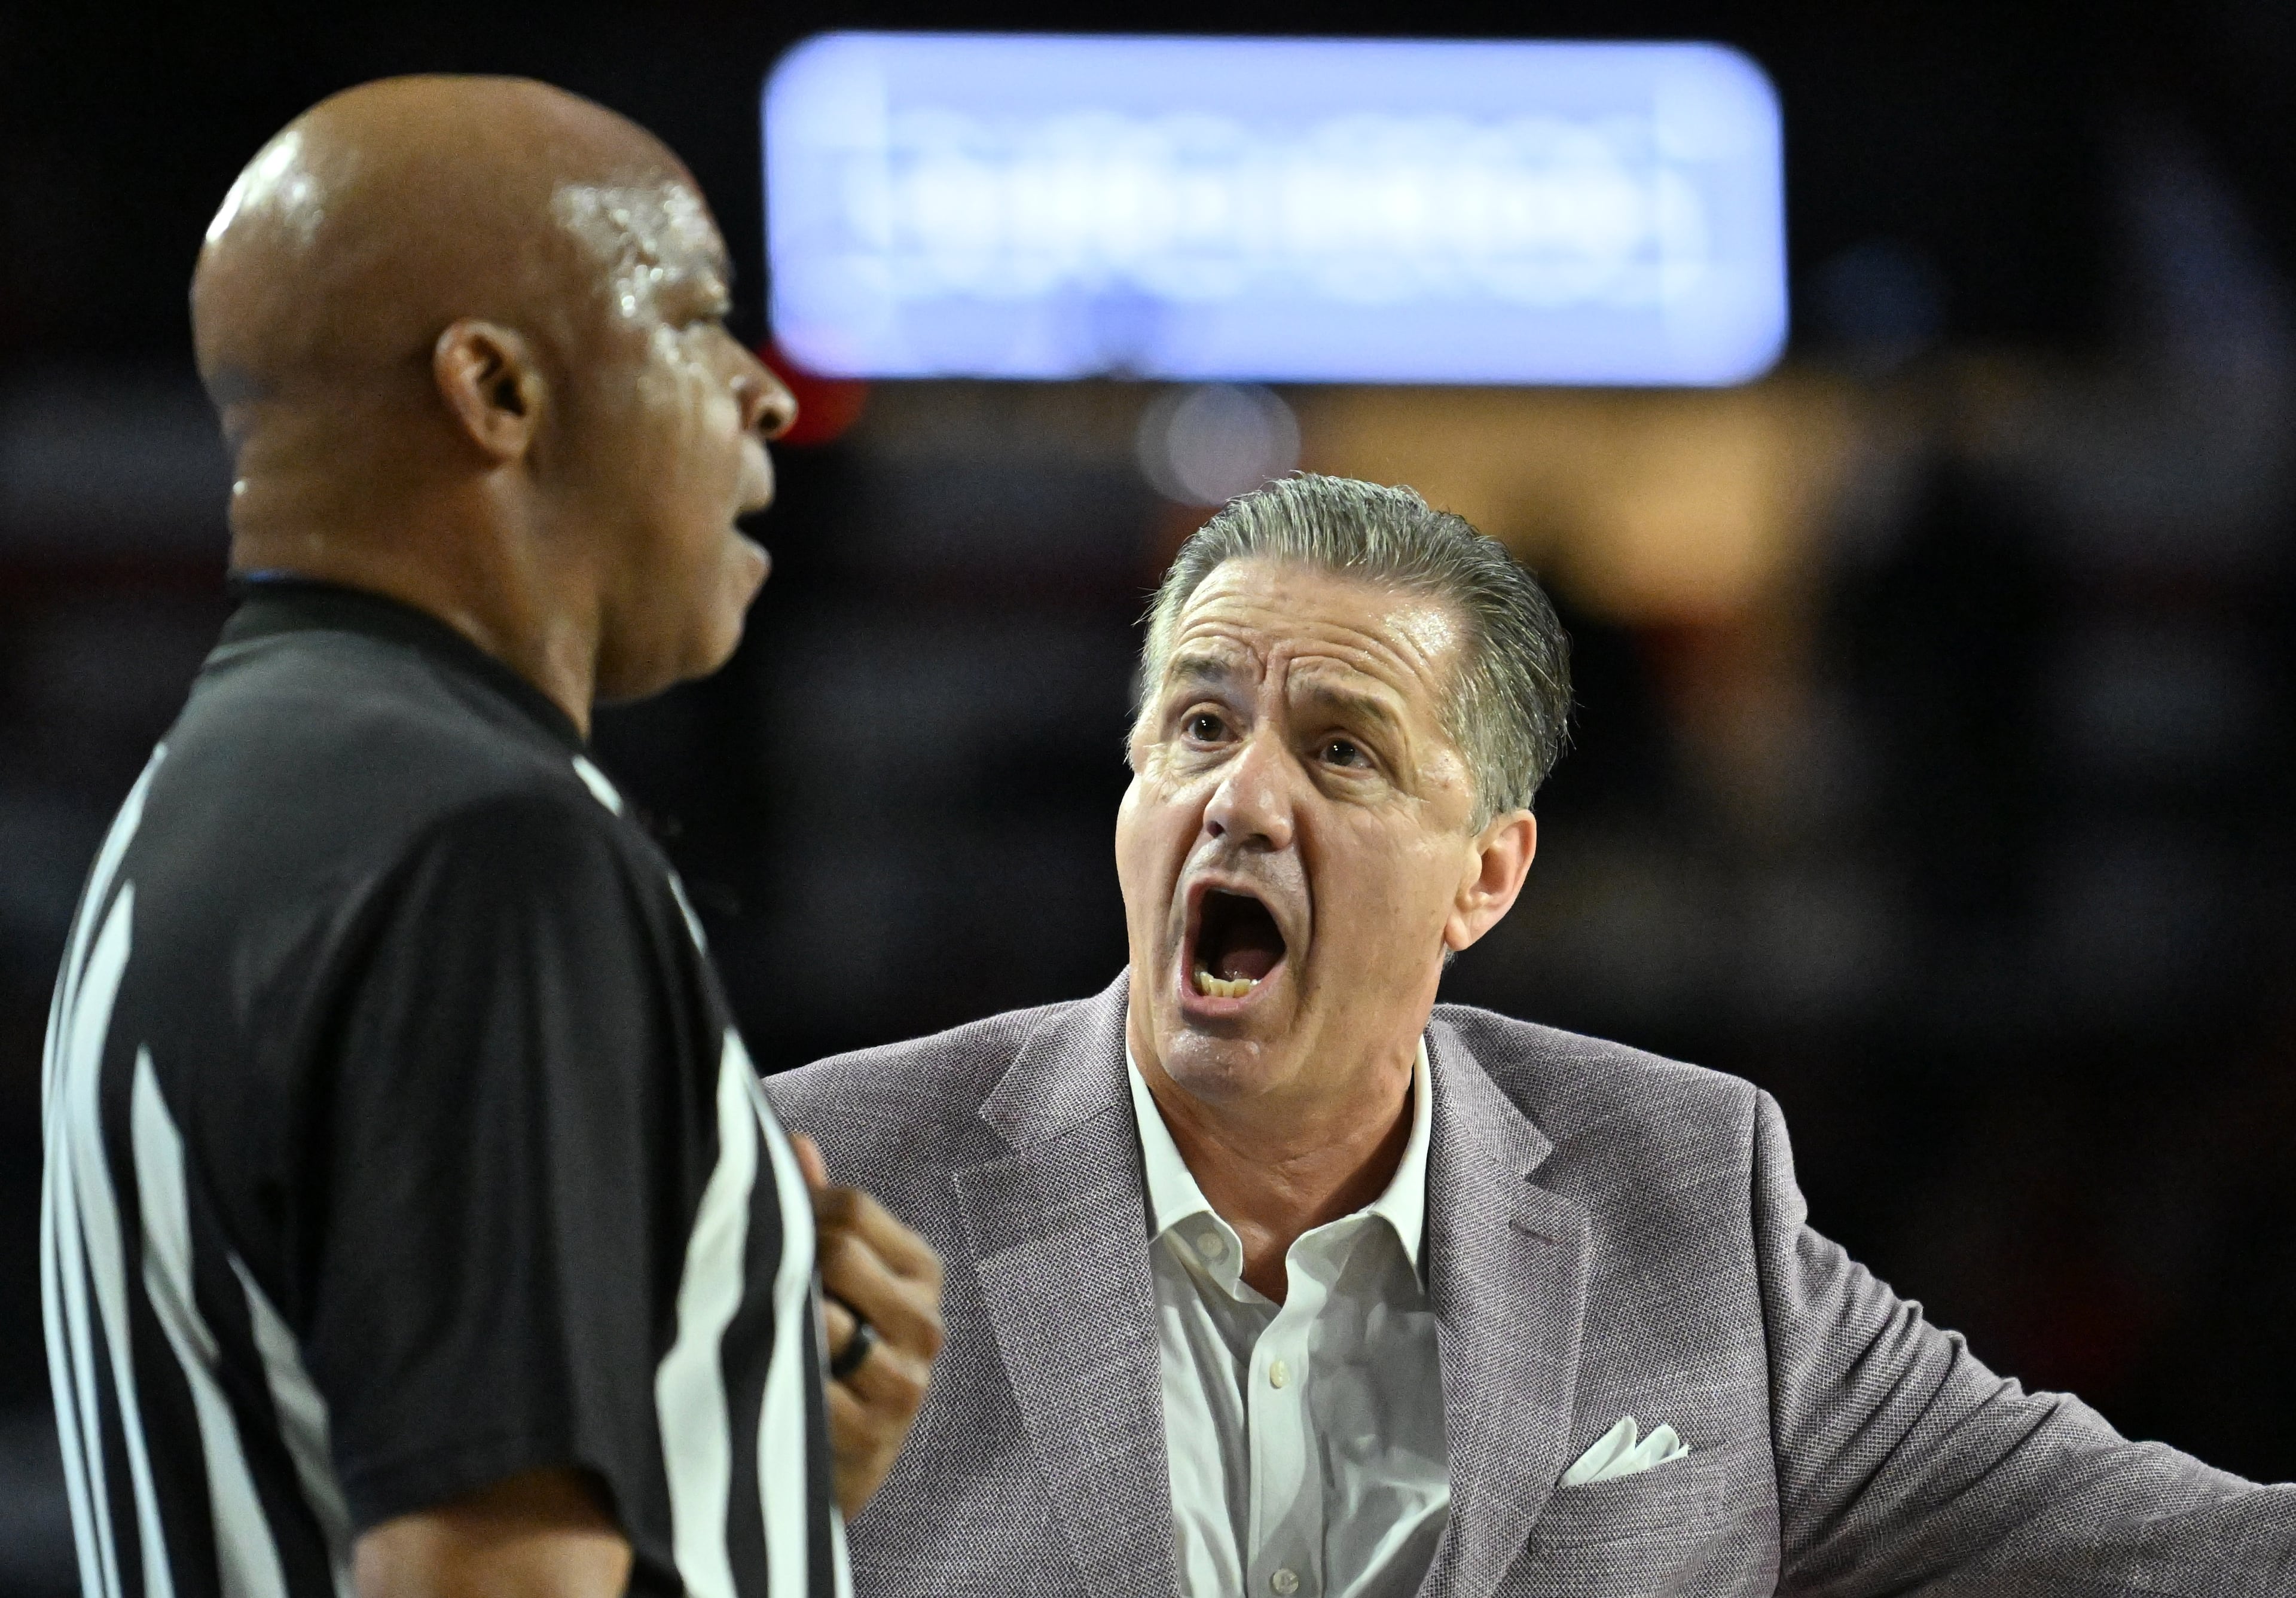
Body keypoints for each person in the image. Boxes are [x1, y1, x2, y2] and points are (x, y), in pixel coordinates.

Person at [766, 473, 2296, 1597]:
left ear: (1485, 877)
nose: (1240, 797)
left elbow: (2172, 1546)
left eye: (1343, 748)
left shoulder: (1687, 1201)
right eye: (1198, 725)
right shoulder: (822, 1178)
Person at [40, 77, 941, 1598]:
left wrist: (742, 1480)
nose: (766, 389)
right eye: (699, 315)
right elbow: (479, 1573)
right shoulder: (486, 847)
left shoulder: (205, 800)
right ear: (497, 390)